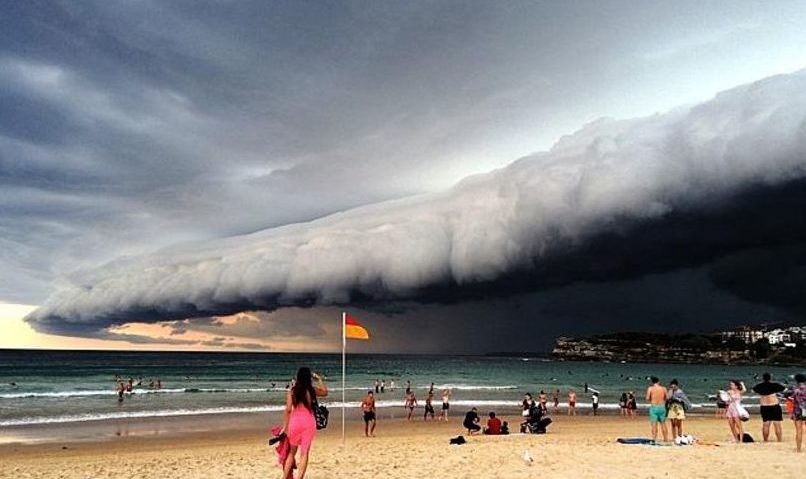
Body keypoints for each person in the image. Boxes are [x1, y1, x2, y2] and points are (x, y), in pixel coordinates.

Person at [280, 367, 328, 479]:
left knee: (291, 452)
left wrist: (285, 427)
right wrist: (319, 379)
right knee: (304, 453)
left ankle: (284, 477)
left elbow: (288, 410)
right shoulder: (311, 390)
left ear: (298, 377)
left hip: (295, 423)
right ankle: (300, 477)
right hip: (308, 423)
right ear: (308, 377)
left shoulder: (292, 391)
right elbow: (325, 392)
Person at [752, 372, 785, 442]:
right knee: (777, 424)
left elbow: (753, 390)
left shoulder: (759, 386)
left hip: (764, 406)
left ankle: (765, 440)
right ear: (770, 378)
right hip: (774, 405)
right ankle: (779, 440)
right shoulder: (775, 385)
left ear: (763, 378)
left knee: (766, 424)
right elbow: (784, 389)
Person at [646, 376, 669, 443]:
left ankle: (654, 439)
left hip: (654, 407)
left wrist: (652, 398)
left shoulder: (650, 388)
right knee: (663, 423)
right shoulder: (663, 388)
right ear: (658, 381)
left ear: (652, 382)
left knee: (654, 424)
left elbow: (647, 398)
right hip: (662, 407)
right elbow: (667, 398)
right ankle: (665, 439)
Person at [787, 373, 806, 453]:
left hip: (797, 411)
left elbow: (788, 396)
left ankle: (798, 449)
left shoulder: (794, 388)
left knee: (799, 430)